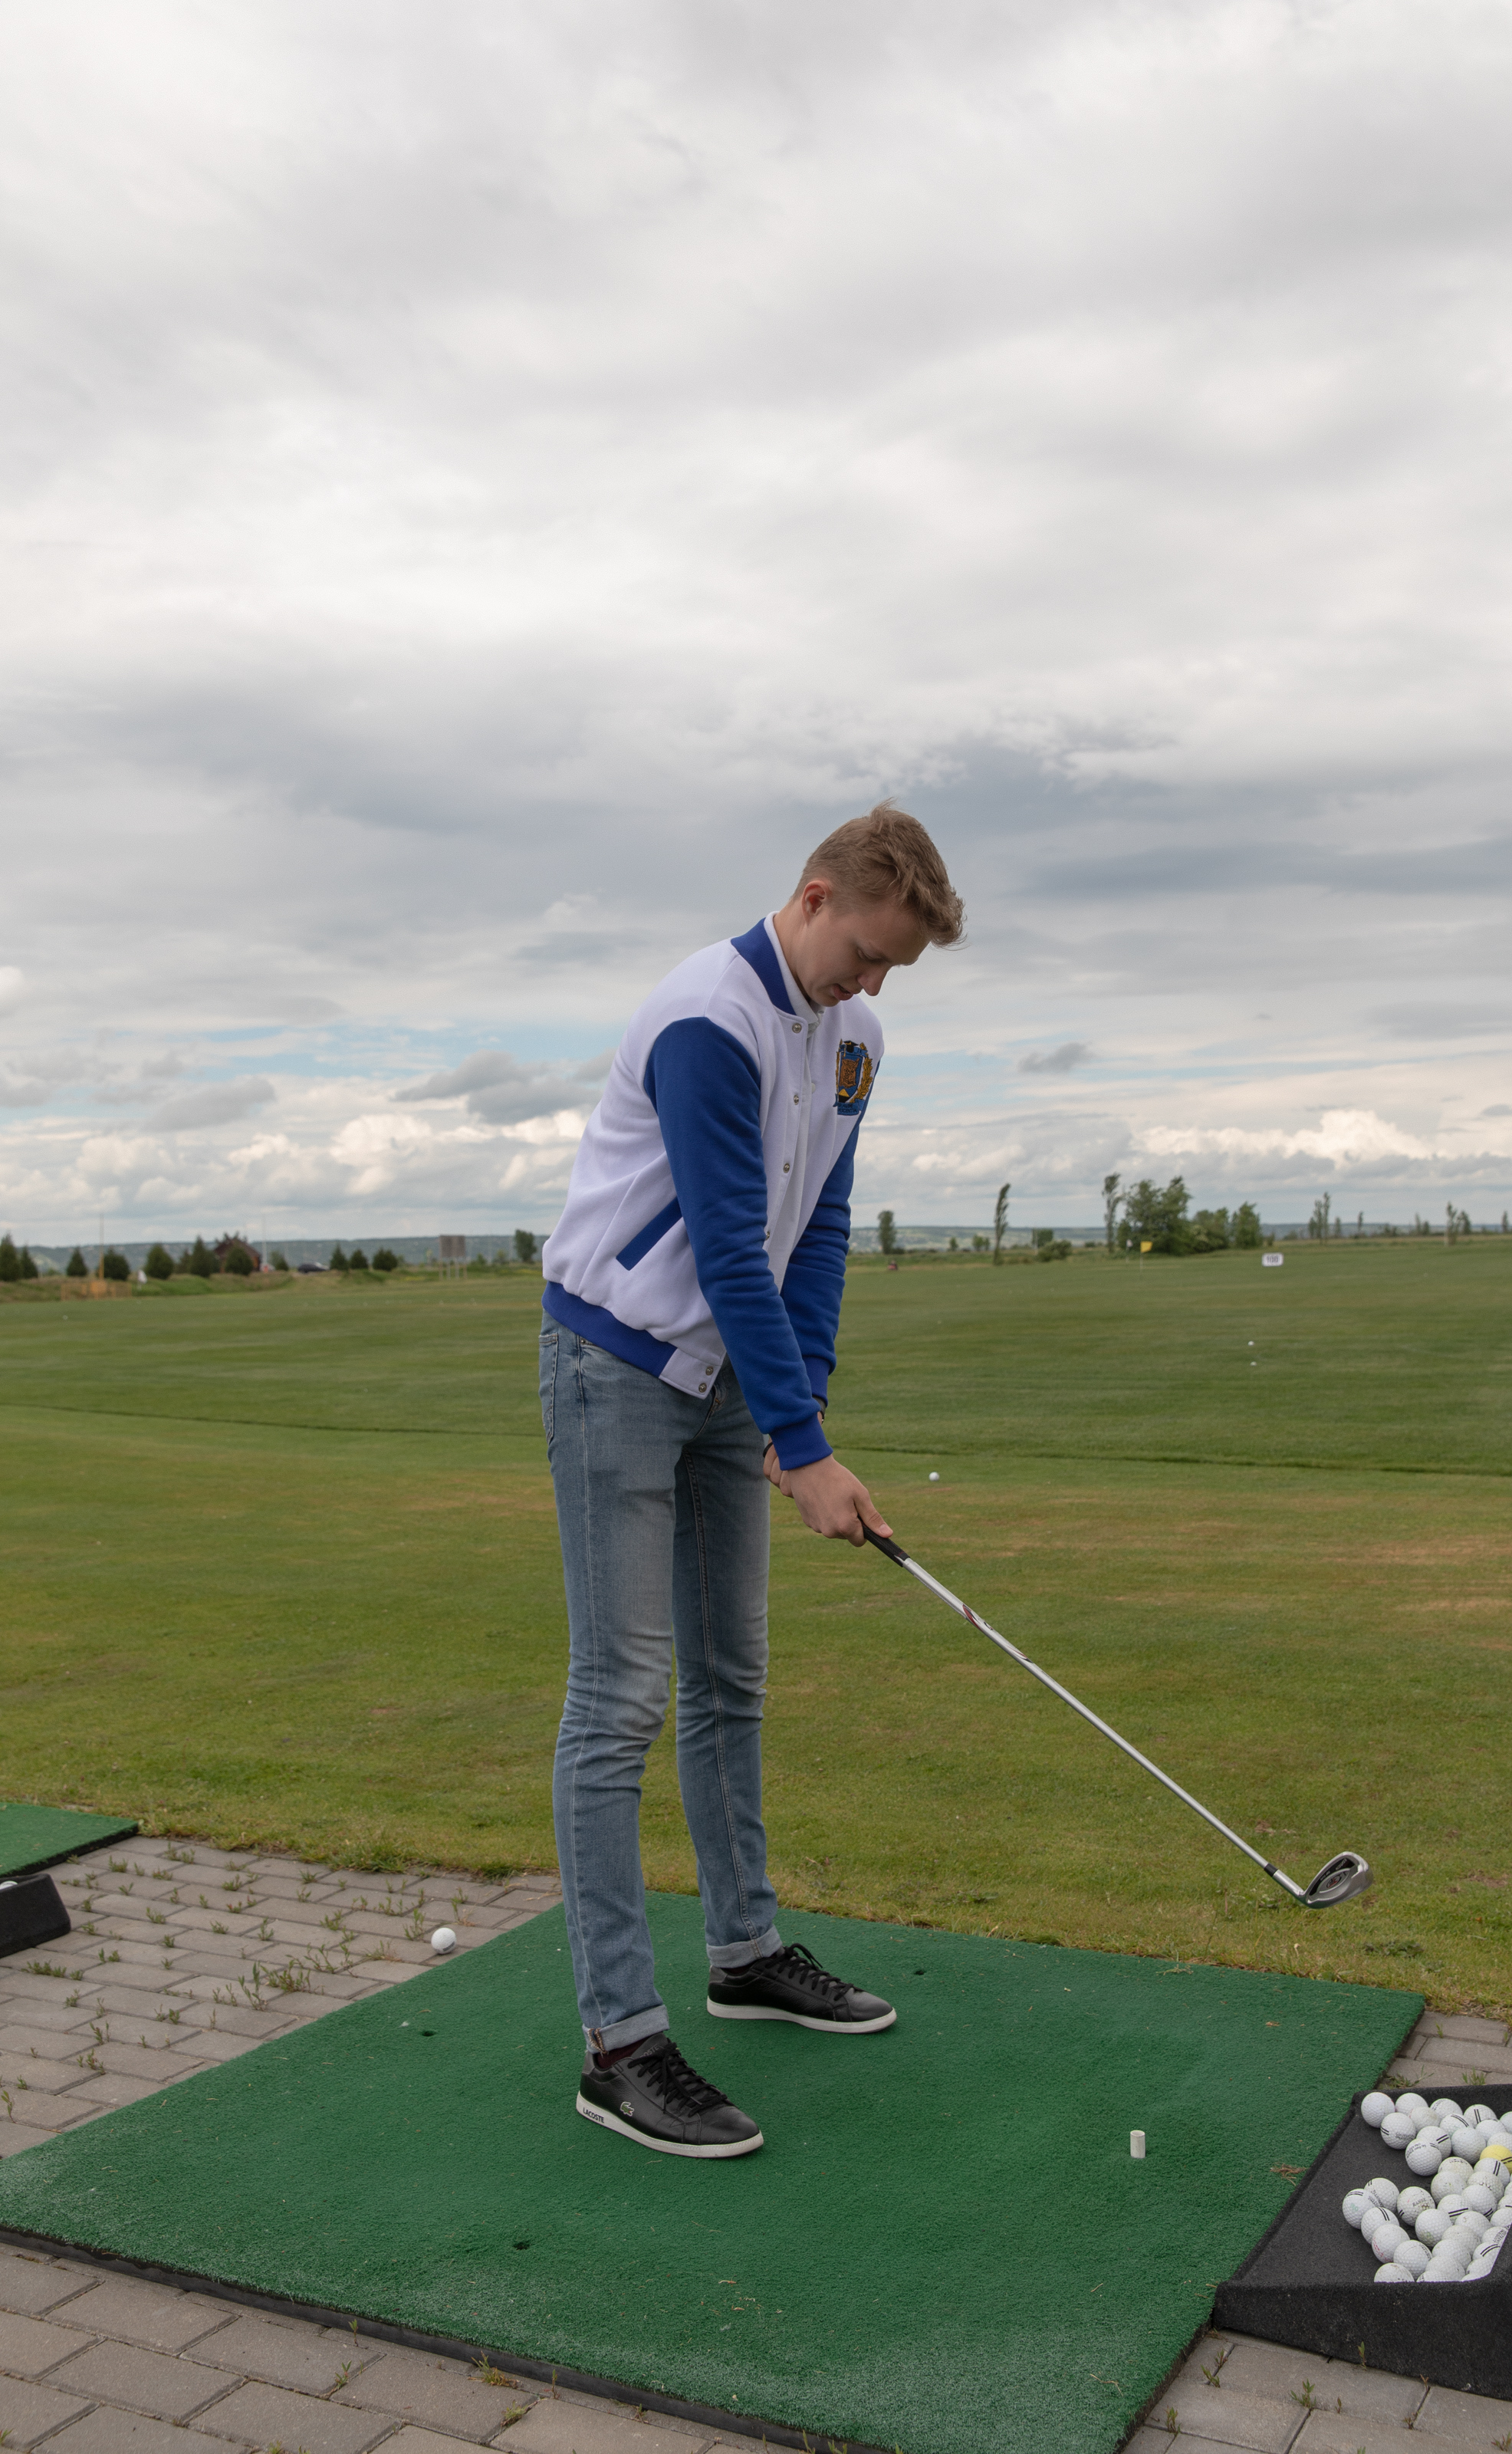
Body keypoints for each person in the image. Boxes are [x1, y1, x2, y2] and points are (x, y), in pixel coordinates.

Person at [540, 802, 965, 2157]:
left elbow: (817, 1222)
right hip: (616, 1363)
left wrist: (801, 1414)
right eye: (866, 952)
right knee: (619, 1698)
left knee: (732, 1673)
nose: (871, 982)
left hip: (732, 1374)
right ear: (814, 895)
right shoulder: (704, 1020)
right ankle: (619, 2044)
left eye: (894, 968)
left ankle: (745, 1953)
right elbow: (729, 1245)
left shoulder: (855, 1036)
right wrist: (805, 1448)